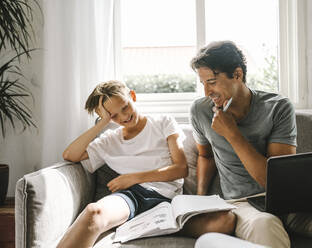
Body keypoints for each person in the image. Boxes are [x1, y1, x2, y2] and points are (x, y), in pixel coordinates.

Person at [180, 40, 298, 247]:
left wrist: (232, 134)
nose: (207, 92)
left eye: (212, 82)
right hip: (243, 203)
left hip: (292, 199)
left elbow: (277, 181)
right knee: (266, 226)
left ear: (237, 75)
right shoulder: (200, 111)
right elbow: (206, 155)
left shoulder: (278, 107)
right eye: (203, 83)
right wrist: (200, 200)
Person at [57, 80, 188, 248]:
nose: (124, 117)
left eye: (125, 107)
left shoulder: (163, 122)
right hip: (131, 198)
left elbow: (181, 169)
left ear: (132, 96)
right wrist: (103, 123)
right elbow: (70, 155)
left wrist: (133, 178)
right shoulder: (109, 140)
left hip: (168, 199)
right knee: (93, 213)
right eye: (114, 115)